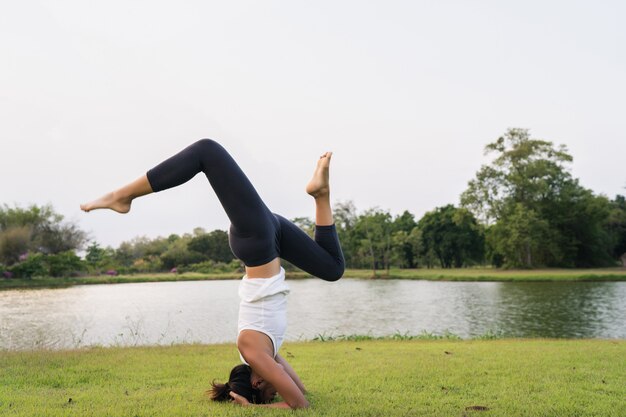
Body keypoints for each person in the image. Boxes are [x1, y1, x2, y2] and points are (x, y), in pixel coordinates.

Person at [80, 139, 345, 409]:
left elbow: (299, 405)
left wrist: (254, 408)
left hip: (258, 242)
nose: (276, 395)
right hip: (270, 235)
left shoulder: (253, 352)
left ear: (257, 383)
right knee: (333, 268)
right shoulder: (266, 355)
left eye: (271, 395)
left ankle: (122, 196)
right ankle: (320, 195)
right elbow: (301, 392)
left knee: (206, 151)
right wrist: (264, 401)